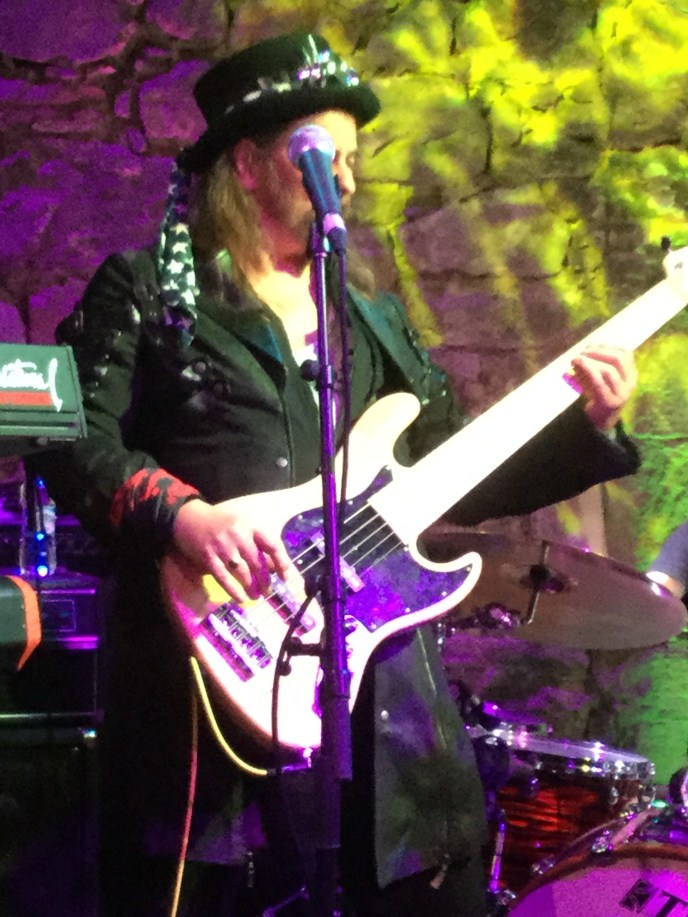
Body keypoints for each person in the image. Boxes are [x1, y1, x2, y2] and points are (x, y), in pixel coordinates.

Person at [37, 31, 641, 917]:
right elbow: (69, 438)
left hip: (387, 727)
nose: (345, 184)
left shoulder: (373, 322)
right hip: (209, 709)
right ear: (248, 165)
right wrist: (186, 517)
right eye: (321, 158)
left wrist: (589, 428)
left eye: (352, 161)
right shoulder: (149, 294)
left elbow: (463, 473)